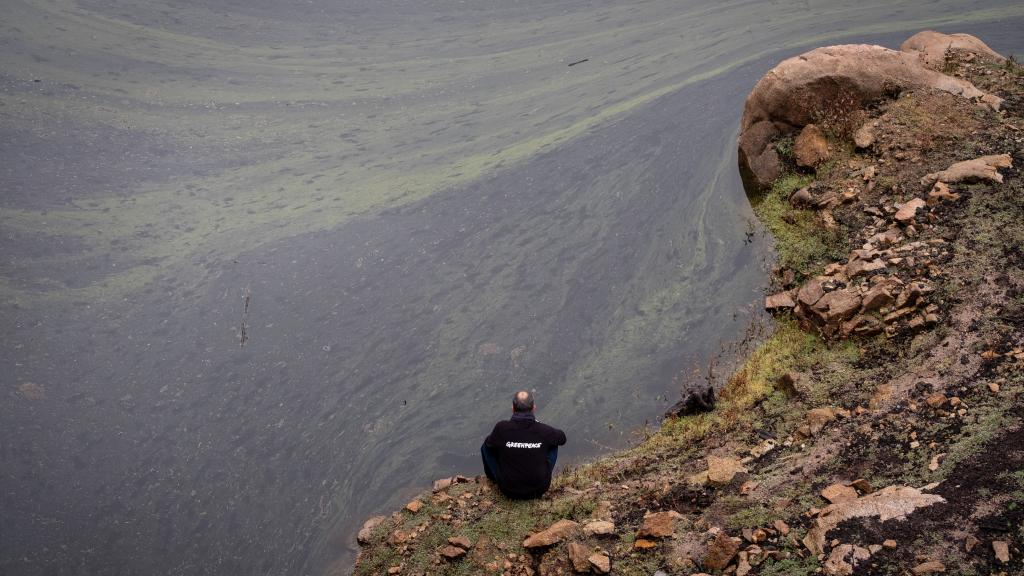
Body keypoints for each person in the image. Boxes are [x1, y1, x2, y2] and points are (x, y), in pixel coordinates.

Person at [481, 390, 566, 499]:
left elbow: (489, 445)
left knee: (486, 446)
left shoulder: (502, 428)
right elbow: (562, 438)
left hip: (508, 489)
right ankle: (543, 474)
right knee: (553, 442)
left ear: (513, 409)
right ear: (534, 408)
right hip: (539, 489)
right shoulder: (544, 431)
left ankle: (492, 478)